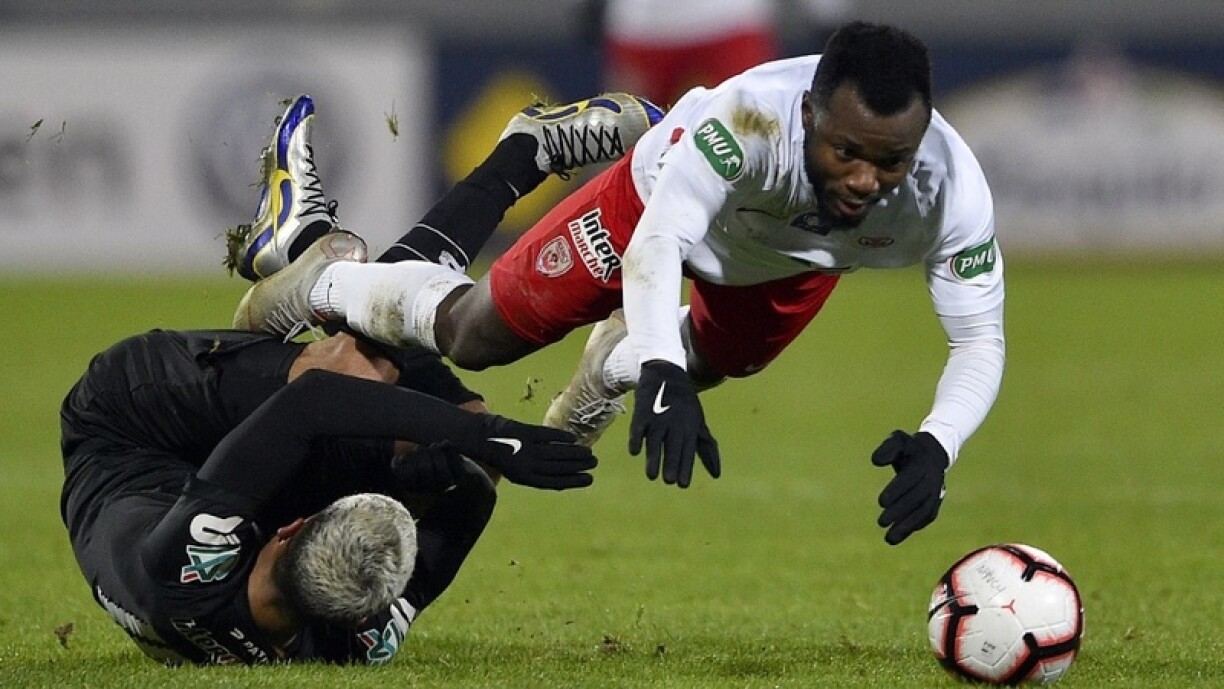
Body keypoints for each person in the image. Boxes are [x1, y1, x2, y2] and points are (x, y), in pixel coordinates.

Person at [235, 22, 1005, 547]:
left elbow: (978, 338)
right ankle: (325, 274)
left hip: (792, 261)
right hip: (656, 198)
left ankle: (615, 360)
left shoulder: (952, 191)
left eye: (890, 161)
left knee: (720, 362)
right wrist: (660, 369)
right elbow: (659, 242)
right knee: (475, 338)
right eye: (846, 153)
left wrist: (938, 442)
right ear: (807, 114)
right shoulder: (745, 123)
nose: (866, 179)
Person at [58, 93, 653, 665]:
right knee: (445, 421)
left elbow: (313, 404)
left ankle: (502, 166)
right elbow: (472, 488)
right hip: (228, 486)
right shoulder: (352, 638)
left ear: (292, 527)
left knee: (355, 367)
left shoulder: (186, 565)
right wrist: (434, 471)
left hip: (133, 427)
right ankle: (310, 262)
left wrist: (490, 436)